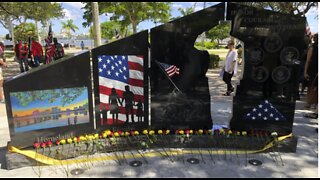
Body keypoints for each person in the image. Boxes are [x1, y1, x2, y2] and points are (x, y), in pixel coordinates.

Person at [304, 33, 318, 119]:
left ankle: (315, 106)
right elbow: (307, 61)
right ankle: (309, 103)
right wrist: (305, 72)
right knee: (311, 87)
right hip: (312, 70)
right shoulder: (312, 47)